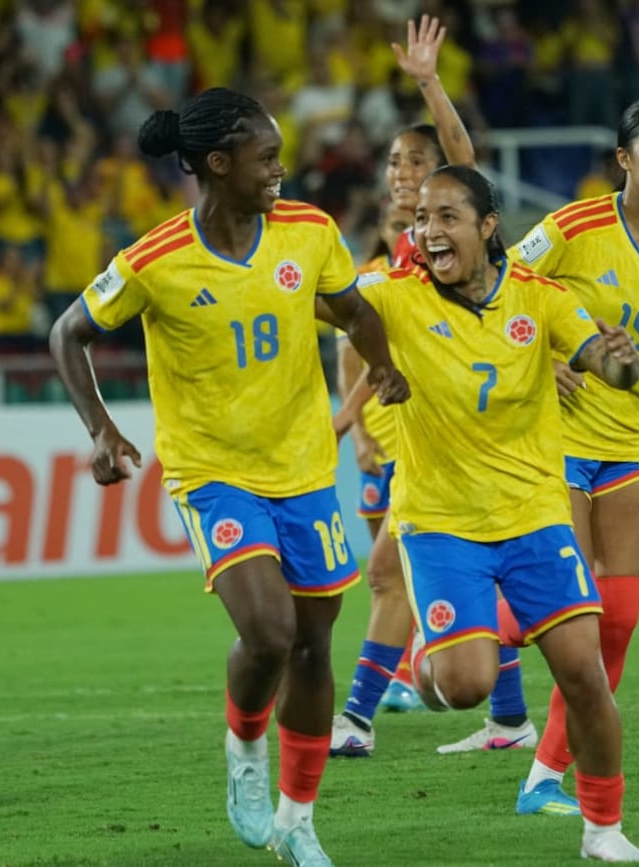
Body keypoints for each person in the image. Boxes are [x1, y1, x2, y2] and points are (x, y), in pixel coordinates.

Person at [49, 87, 409, 867]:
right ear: (219, 164)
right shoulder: (155, 260)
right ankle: (245, 752)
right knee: (269, 630)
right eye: (267, 158)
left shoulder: (309, 233)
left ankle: (297, 818)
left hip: (306, 467)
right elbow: (67, 332)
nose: (282, 170)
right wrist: (103, 429)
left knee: (314, 644)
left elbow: (352, 311)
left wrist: (383, 366)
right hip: (212, 472)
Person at [445, 96, 639, 815]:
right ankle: (470, 619)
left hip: (632, 448)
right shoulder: (573, 228)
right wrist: (539, 353)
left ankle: (543, 778)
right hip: (556, 442)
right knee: (570, 609)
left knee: (616, 622)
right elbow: (493, 289)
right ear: (624, 158)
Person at [359, 164, 639, 863]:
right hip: (439, 523)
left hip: (533, 516)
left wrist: (622, 364)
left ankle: (603, 829)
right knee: (465, 686)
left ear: (489, 227)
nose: (428, 231)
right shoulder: (396, 296)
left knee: (585, 672)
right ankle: (429, 669)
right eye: (421, 219)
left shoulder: (540, 297)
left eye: (446, 217)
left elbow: (606, 365)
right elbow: (333, 301)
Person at [332, 14, 538, 757]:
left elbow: (463, 155)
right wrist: (353, 420)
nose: (399, 176)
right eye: (393, 165)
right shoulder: (390, 251)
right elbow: (363, 341)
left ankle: (356, 718)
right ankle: (510, 719)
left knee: (387, 572)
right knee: (394, 576)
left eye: (412, 164)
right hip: (400, 437)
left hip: (452, 439)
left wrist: (428, 82)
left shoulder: (440, 247)